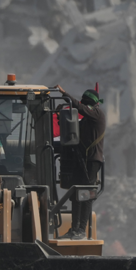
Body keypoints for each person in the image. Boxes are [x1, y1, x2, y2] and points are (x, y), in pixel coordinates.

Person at [56, 85, 105, 239]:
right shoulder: (86, 122)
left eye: (86, 103)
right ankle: (74, 228)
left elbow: (80, 107)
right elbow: (73, 136)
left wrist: (65, 94)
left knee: (87, 194)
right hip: (82, 161)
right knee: (76, 194)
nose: (84, 106)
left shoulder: (97, 114)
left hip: (92, 162)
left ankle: (81, 230)